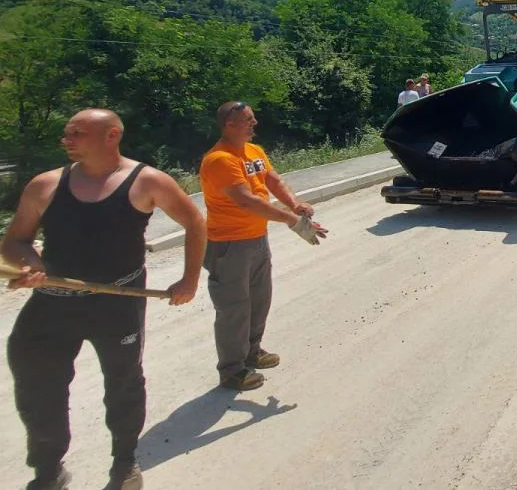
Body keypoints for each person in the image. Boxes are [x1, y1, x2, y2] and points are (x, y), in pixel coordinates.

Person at [3, 108, 206, 490]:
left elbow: (195, 222)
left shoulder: (147, 181)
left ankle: (124, 463)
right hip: (52, 301)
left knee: (124, 382)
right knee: (36, 383)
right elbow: (15, 241)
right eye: (67, 133)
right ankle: (47, 470)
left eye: (77, 133)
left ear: (112, 135)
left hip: (118, 300)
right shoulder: (45, 185)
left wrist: (189, 280)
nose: (67, 139)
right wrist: (30, 264)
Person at [199, 101, 328, 392]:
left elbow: (272, 180)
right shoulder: (219, 159)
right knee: (234, 308)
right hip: (228, 245)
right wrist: (292, 220)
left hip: (256, 239)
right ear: (229, 125)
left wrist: (294, 204)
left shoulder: (254, 151)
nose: (254, 123)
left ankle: (251, 351)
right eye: (248, 120)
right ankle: (231, 370)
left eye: (253, 118)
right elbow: (246, 201)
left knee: (259, 300)